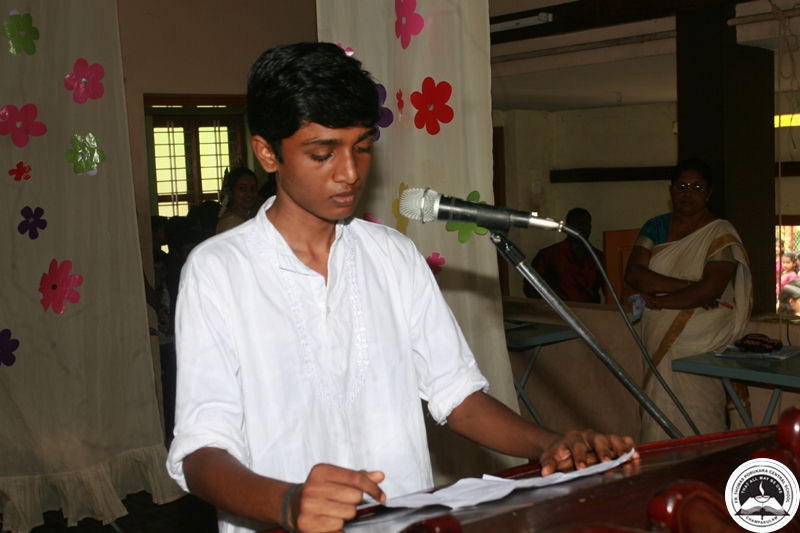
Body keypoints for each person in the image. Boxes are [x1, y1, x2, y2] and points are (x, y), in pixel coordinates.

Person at [167, 42, 636, 533]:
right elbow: (200, 451)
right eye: (323, 153)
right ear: (267, 152)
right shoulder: (219, 270)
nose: (350, 173)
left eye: (362, 146)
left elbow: (457, 396)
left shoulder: (392, 256)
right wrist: (288, 503)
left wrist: (549, 443)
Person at [624, 158, 752, 443]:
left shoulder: (720, 233)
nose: (688, 193)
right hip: (658, 332)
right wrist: (688, 286)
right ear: (671, 190)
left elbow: (711, 289)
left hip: (703, 338)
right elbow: (634, 274)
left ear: (708, 193)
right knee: (659, 408)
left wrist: (659, 301)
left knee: (701, 415)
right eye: (681, 187)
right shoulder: (655, 226)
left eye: (696, 188)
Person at [523, 208, 604, 303]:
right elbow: (530, 285)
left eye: (584, 223)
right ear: (567, 228)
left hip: (592, 311)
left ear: (590, 227)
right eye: (575, 223)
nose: (580, 227)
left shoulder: (600, 258)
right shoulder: (550, 255)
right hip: (559, 311)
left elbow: (611, 291)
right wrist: (548, 308)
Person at [217, 167, 258, 234]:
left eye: (253, 188)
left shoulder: (245, 216)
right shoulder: (230, 222)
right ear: (231, 193)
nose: (249, 194)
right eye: (242, 188)